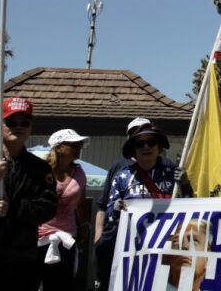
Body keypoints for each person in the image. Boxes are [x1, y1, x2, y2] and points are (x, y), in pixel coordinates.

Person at [0, 97, 57, 291]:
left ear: (31, 127)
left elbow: (48, 208)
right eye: (11, 122)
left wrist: (14, 207)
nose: (18, 127)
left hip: (21, 261)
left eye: (25, 122)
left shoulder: (40, 168)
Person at [103, 123, 182, 287]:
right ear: (133, 151)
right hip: (132, 251)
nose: (146, 147)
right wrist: (118, 207)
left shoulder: (173, 176)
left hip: (165, 250)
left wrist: (187, 185)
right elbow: (110, 214)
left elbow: (190, 210)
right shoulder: (122, 177)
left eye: (151, 142)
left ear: (159, 147)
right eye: (140, 144)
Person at [93, 116, 154, 289]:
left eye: (149, 137)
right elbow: (102, 205)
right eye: (138, 138)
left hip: (152, 245)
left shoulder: (168, 167)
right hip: (118, 242)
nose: (144, 142)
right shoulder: (118, 167)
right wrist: (99, 237)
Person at [38, 128, 89, 291]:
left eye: (79, 144)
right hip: (38, 238)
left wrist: (85, 224)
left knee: (63, 285)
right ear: (58, 147)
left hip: (67, 238)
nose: (78, 148)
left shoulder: (79, 172)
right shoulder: (40, 170)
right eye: (73, 144)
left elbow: (80, 202)